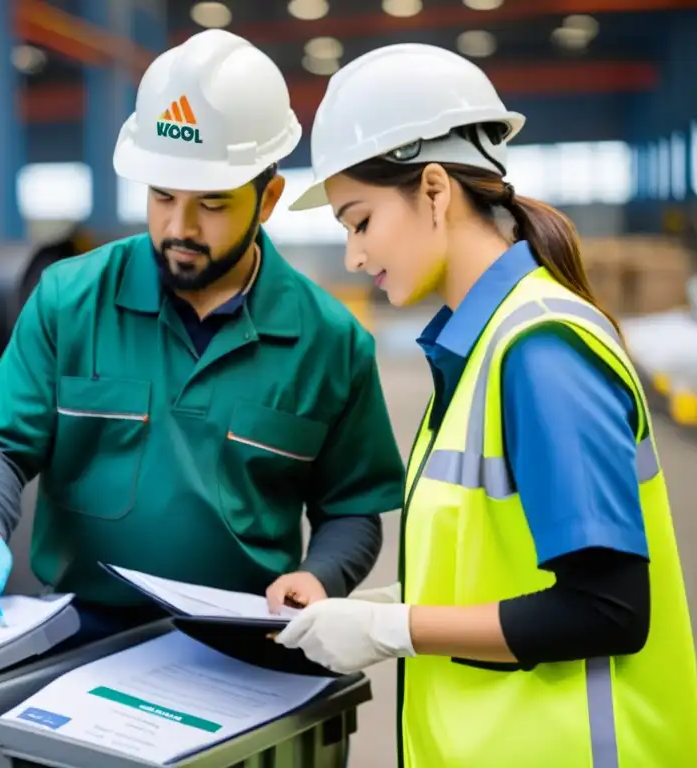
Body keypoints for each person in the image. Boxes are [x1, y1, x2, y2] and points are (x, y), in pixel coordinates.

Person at [274, 43, 697, 766]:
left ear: (434, 190)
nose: (352, 255)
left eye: (360, 220)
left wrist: (394, 631)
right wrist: (373, 609)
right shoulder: (478, 352)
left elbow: (606, 609)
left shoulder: (539, 351)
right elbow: (499, 571)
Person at [0, 29, 405, 644]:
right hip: (83, 633)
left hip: (242, 643)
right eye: (161, 196)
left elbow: (350, 507)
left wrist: (321, 575)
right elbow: (0, 444)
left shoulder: (330, 342)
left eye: (212, 203)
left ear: (268, 199)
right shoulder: (69, 299)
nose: (178, 227)